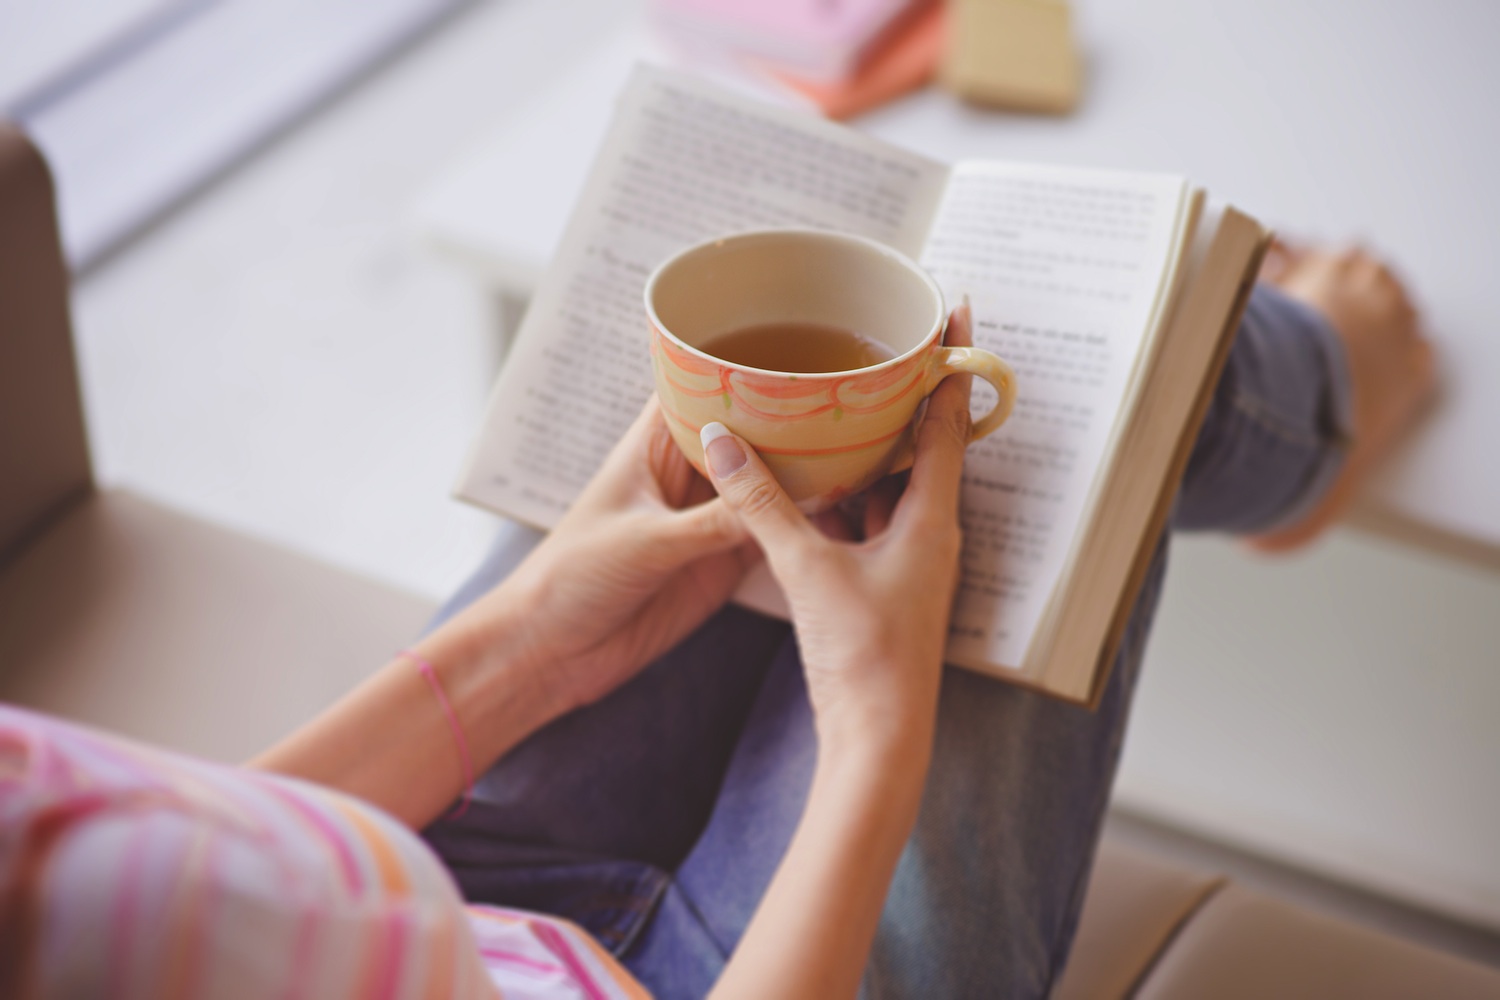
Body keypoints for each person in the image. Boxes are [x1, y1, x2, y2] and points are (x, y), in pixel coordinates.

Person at [1, 246, 1432, 999]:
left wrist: (528, 645)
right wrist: (874, 736)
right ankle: (1314, 409)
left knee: (856, 329)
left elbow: (201, 858)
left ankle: (1286, 397)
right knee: (1049, 403)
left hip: (446, 908)